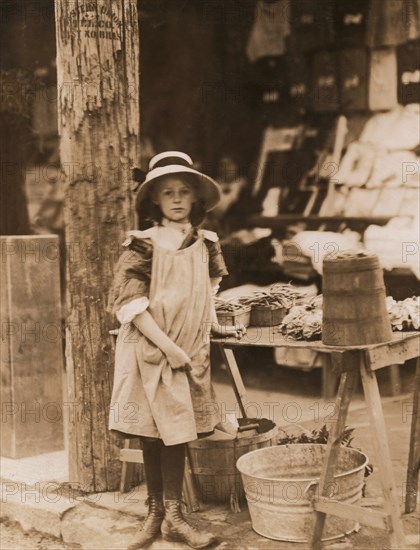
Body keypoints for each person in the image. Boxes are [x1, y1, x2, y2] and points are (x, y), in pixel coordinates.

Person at [108, 151, 246, 549]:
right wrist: (168, 348)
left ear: (196, 197)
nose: (177, 199)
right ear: (153, 199)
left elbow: (205, 293)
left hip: (189, 349)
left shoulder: (205, 243)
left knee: (178, 432)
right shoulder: (142, 245)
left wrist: (212, 326)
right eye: (167, 192)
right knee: (152, 433)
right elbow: (129, 306)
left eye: (184, 191)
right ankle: (155, 515)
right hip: (150, 346)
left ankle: (174, 517)